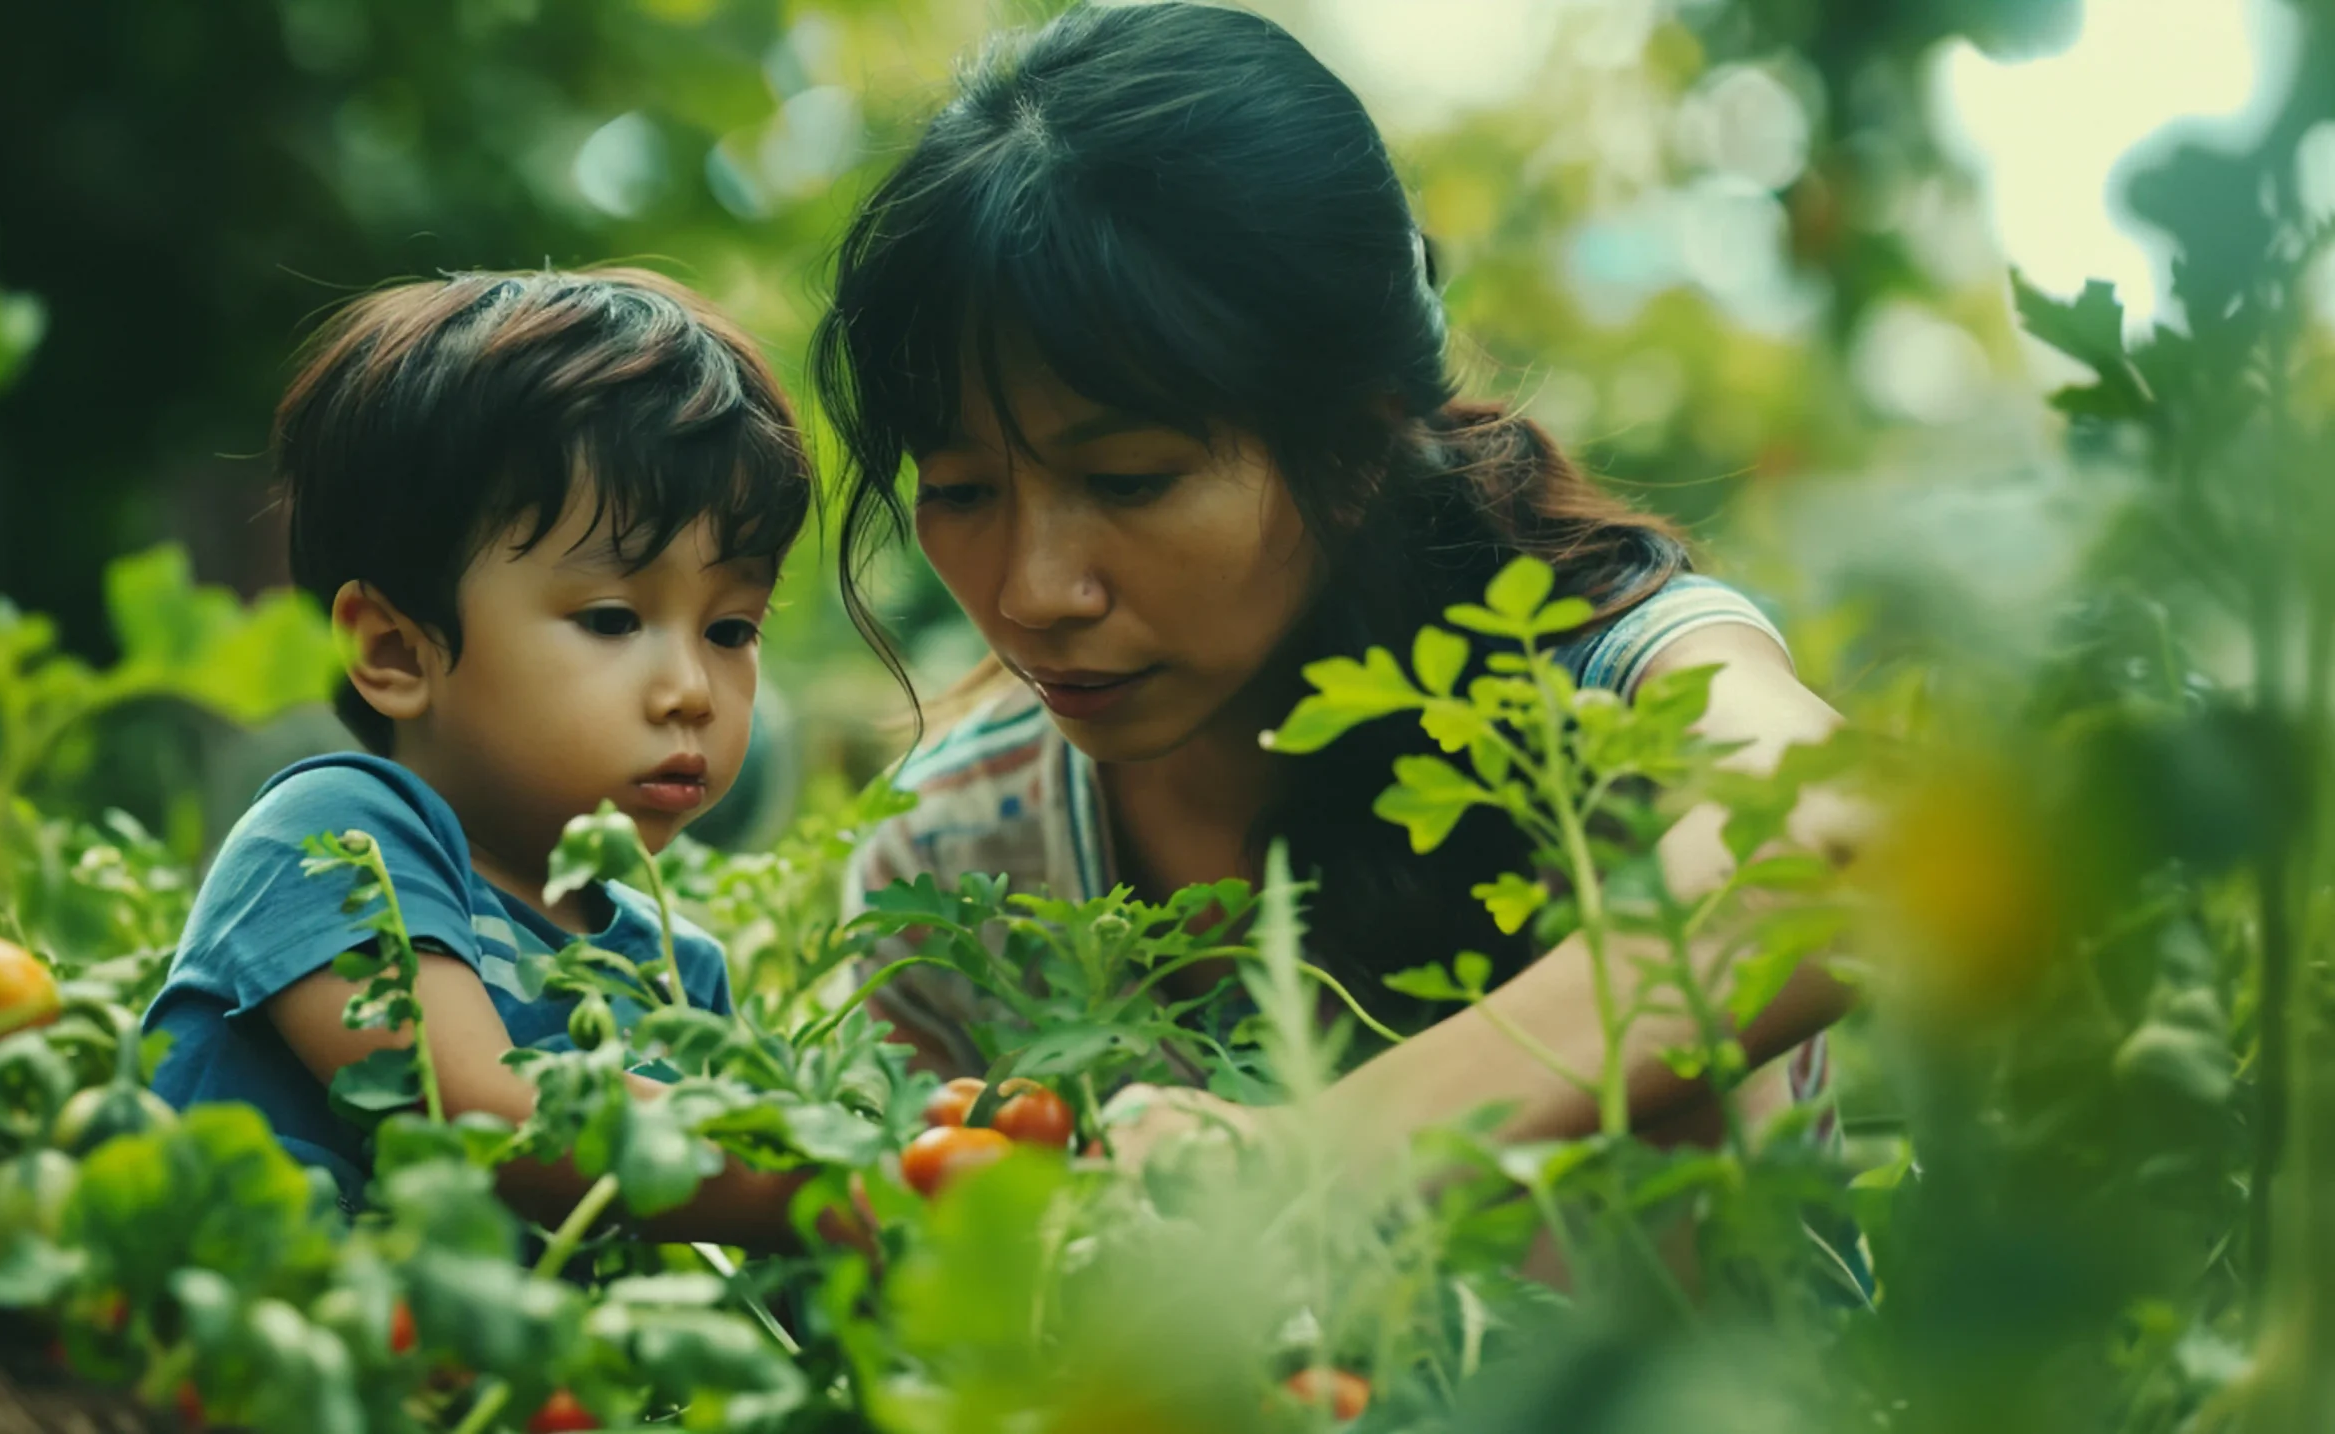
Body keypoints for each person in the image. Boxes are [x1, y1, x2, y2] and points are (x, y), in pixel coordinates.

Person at [812, 4, 1856, 1170]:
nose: (1034, 592)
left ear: (1356, 450)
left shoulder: (1600, 676)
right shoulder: (961, 867)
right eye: (959, 489)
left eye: (1128, 478)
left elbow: (1838, 834)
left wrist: (1317, 1161)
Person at [144, 269, 827, 1244]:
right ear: (394, 651)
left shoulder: (676, 973)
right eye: (610, 618)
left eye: (731, 628)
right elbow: (486, 1117)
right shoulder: (333, 839)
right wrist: (817, 1183)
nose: (692, 690)